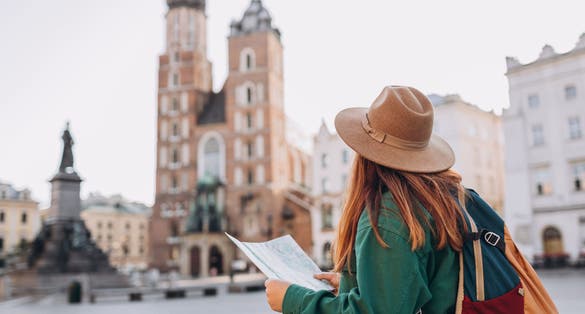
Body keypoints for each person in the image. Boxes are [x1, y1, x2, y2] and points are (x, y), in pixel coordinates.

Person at [265, 86, 467, 313]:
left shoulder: (389, 217)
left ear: (365, 155)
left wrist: (292, 299)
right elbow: (418, 283)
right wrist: (359, 284)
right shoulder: (449, 197)